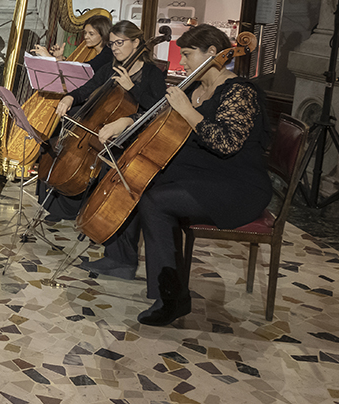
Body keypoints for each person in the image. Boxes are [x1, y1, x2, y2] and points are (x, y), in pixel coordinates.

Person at [86, 24, 271, 326]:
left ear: (212, 53)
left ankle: (170, 298)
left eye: (187, 55)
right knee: (138, 178)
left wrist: (188, 111)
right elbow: (161, 119)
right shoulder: (195, 87)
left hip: (236, 185)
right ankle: (131, 264)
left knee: (156, 202)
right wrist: (127, 120)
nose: (181, 62)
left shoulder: (239, 92)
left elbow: (225, 143)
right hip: (201, 174)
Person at [39, 19, 166, 223]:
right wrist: (70, 97)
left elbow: (157, 108)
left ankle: (93, 211)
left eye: (120, 43)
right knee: (53, 143)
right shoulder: (110, 68)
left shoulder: (152, 74)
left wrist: (131, 87)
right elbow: (87, 89)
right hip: (100, 129)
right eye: (112, 44)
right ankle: (59, 204)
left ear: (135, 43)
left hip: (131, 132)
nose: (114, 49)